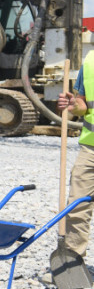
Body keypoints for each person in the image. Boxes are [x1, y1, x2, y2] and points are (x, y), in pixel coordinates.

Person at [55, 51, 94, 258]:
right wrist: (74, 105)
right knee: (77, 205)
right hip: (90, 148)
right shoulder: (90, 61)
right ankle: (72, 261)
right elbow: (84, 105)